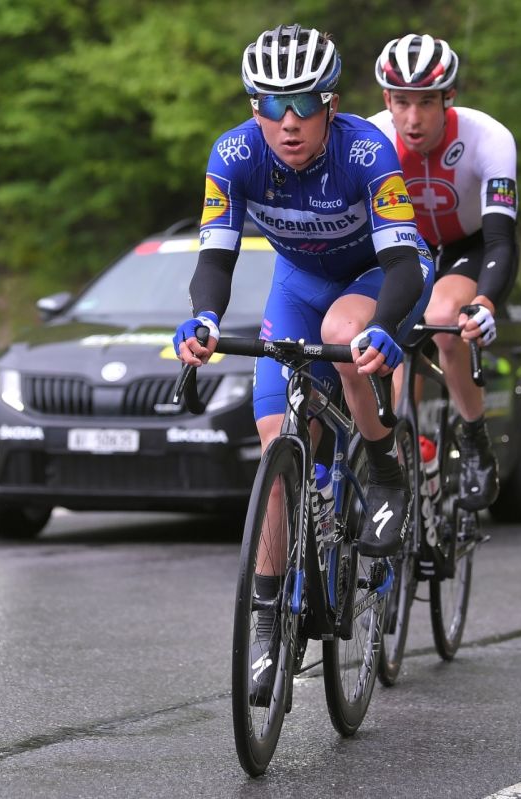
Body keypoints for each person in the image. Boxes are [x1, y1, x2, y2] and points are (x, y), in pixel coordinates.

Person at [173, 25, 434, 702]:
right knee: (276, 450)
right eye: (272, 104)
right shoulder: (233, 154)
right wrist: (205, 319)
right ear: (253, 106)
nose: (288, 122)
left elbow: (404, 262)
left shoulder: (365, 150)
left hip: (381, 278)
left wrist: (384, 328)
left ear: (331, 104)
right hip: (298, 286)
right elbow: (215, 258)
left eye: (305, 104)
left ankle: (384, 466)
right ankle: (268, 624)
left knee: (345, 334)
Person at [368, 32, 519, 512]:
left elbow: (501, 239)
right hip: (403, 249)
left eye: (426, 103)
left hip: (465, 245)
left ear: (448, 97)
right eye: (402, 102)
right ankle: (398, 454)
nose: (413, 119)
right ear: (387, 100)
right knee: (384, 337)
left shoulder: (489, 138)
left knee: (446, 320)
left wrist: (485, 302)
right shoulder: (371, 139)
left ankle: (474, 438)